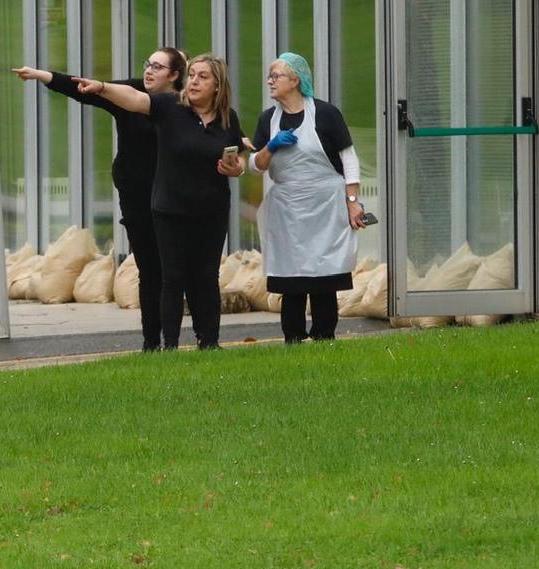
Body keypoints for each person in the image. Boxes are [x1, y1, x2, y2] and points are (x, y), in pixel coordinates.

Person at [12, 48, 186, 351]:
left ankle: (177, 340)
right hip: (137, 197)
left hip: (173, 197)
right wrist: (43, 76)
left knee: (172, 269)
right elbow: (86, 89)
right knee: (148, 268)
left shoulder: (184, 103)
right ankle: (151, 342)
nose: (148, 71)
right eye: (148, 64)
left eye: (157, 67)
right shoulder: (129, 92)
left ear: (174, 75)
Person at [78, 54, 246, 350]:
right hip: (171, 209)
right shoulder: (171, 107)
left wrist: (238, 167)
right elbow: (133, 98)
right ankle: (169, 344)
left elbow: (240, 154)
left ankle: (209, 341)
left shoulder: (227, 118)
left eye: (203, 77)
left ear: (218, 86)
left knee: (207, 276)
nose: (193, 81)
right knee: (173, 276)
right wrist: (102, 87)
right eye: (192, 75)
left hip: (211, 209)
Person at [248, 52, 364, 342]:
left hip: (326, 203)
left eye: (276, 76)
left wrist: (352, 203)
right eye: (269, 76)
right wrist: (271, 147)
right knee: (291, 277)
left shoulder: (325, 114)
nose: (269, 81)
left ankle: (325, 336)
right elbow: (254, 166)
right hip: (287, 207)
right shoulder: (268, 120)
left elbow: (348, 159)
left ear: (296, 80)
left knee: (325, 274)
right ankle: (293, 339)